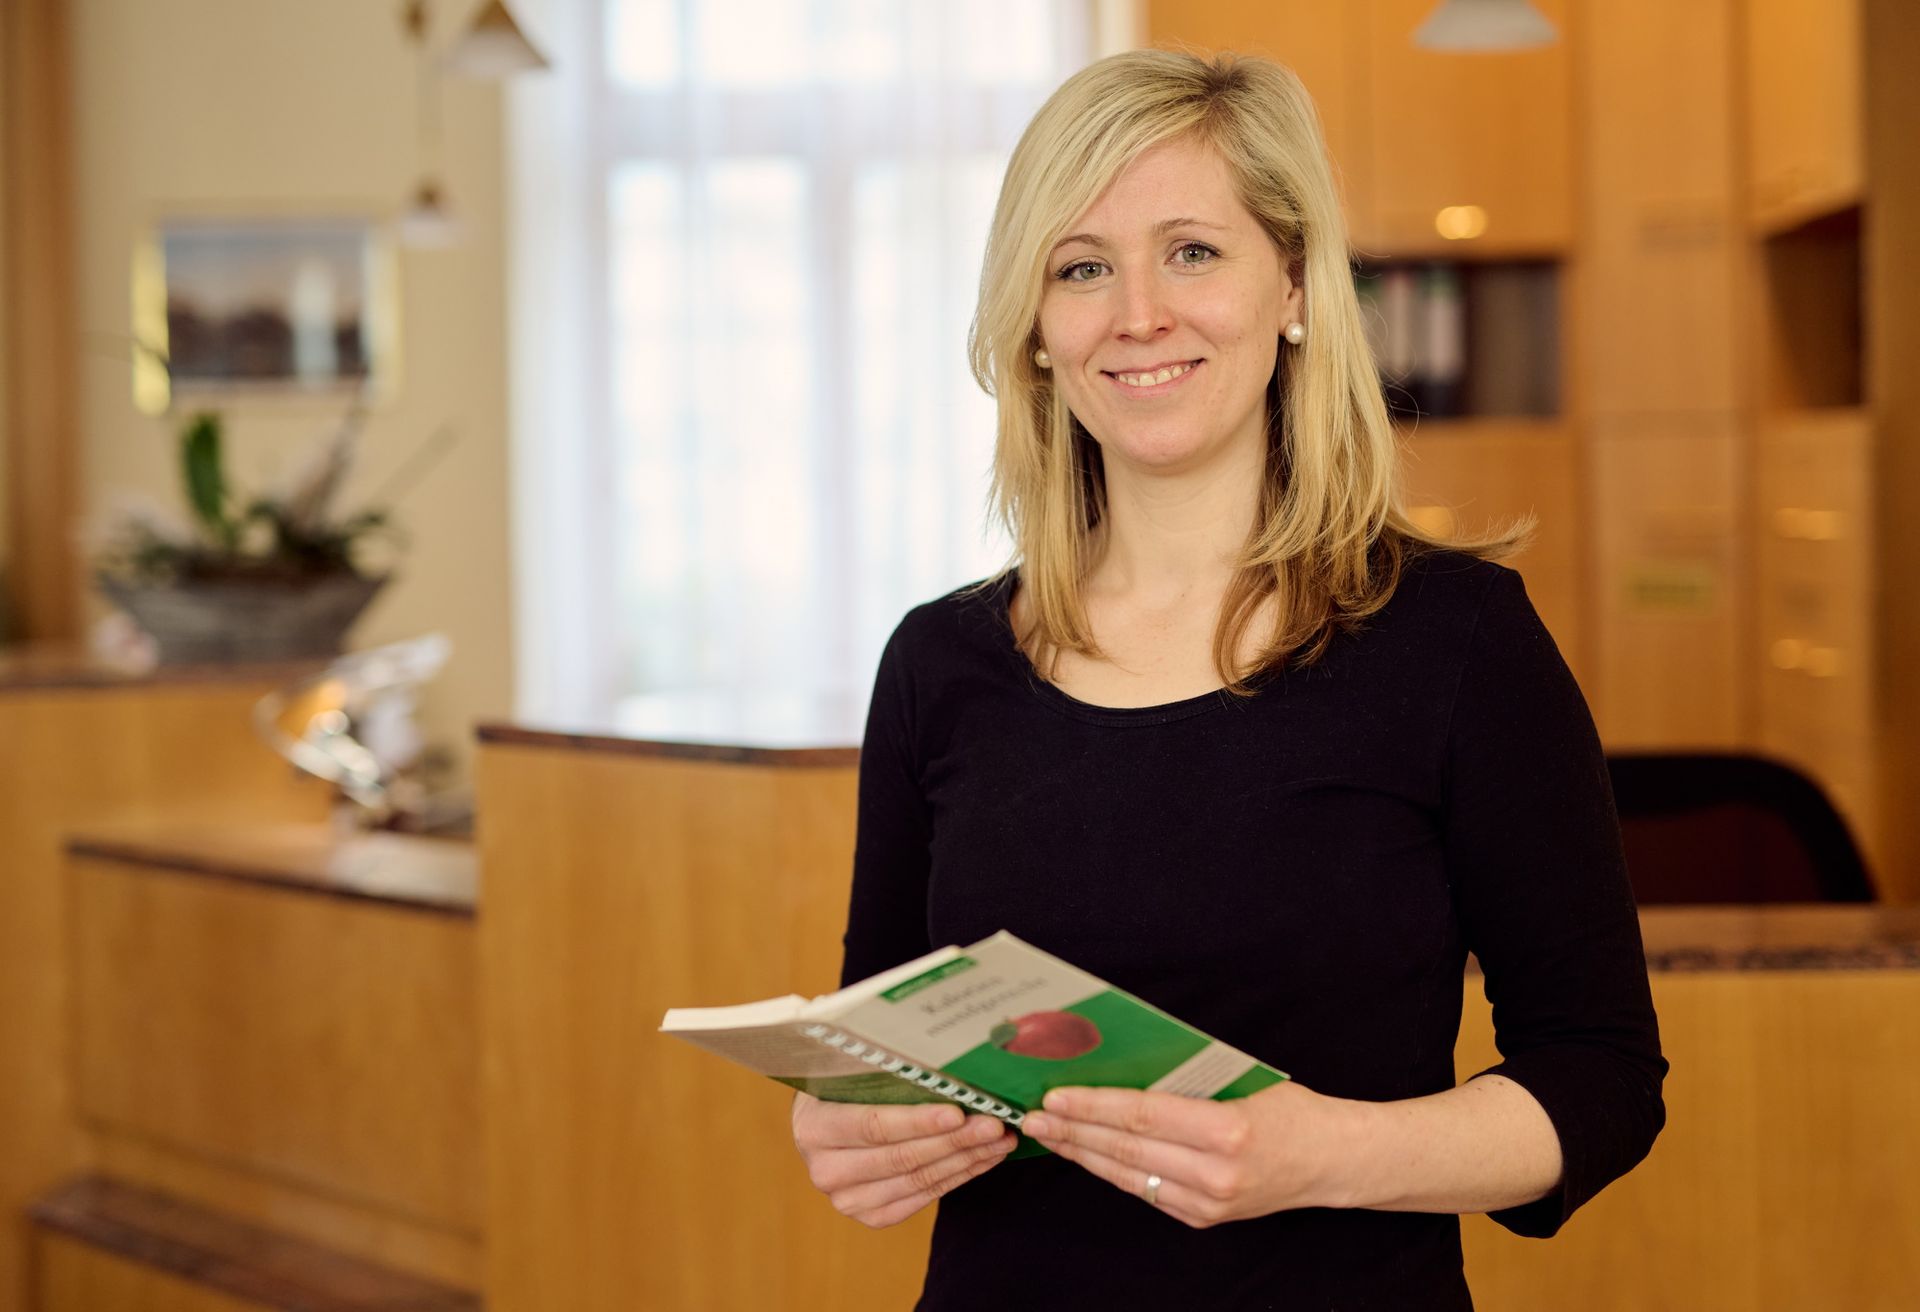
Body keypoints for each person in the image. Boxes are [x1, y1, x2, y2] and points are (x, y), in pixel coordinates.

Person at [789, 47, 1665, 1310]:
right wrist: (855, 1133)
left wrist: (1327, 1153)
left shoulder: (1457, 643)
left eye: (1192, 251)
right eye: (1082, 267)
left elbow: (1601, 1080)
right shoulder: (941, 663)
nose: (1138, 312)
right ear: (1037, 330)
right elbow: (884, 1054)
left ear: (1295, 286)